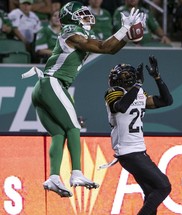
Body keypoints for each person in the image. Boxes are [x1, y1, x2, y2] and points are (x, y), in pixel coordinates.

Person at [23, 1, 145, 197]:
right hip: (52, 82)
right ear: (71, 18)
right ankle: (76, 173)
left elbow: (110, 48)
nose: (87, 16)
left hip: (47, 86)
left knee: (58, 133)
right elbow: (105, 47)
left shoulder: (83, 34)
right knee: (73, 127)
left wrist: (128, 34)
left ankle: (54, 177)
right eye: (81, 13)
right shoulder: (70, 30)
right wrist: (124, 29)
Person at [104, 56, 173, 215]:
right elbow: (121, 106)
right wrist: (137, 86)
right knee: (163, 186)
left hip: (137, 151)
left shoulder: (138, 92)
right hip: (129, 152)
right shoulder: (114, 93)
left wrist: (157, 78)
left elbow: (166, 101)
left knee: (151, 193)